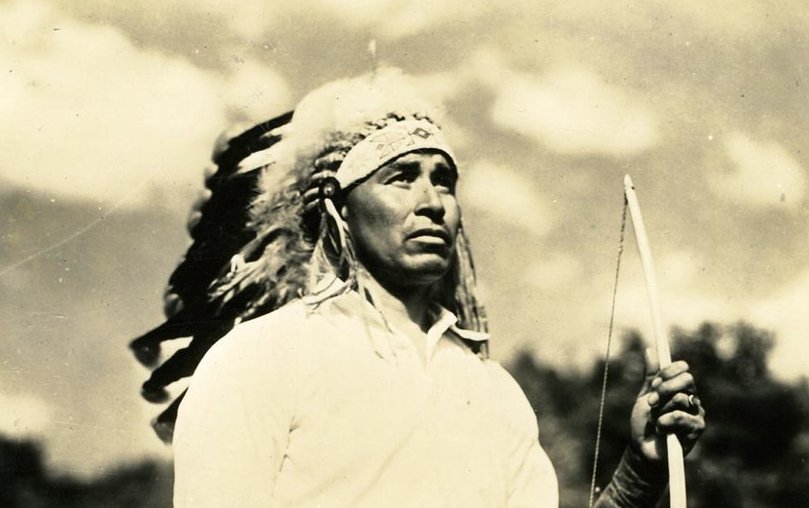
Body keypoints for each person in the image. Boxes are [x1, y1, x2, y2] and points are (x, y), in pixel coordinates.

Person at [141, 68, 705, 507]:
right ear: (338, 208)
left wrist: (642, 466)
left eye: (445, 180)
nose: (433, 203)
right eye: (401, 177)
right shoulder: (258, 359)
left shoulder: (492, 391)